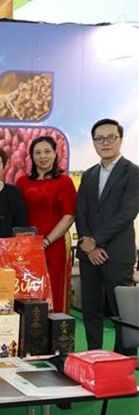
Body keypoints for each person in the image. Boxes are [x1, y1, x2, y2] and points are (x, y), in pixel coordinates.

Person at [76, 118, 139, 355]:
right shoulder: (89, 174)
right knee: (91, 309)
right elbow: (80, 211)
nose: (105, 142)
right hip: (89, 254)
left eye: (111, 137)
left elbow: (127, 213)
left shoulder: (133, 172)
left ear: (120, 139)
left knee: (122, 312)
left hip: (118, 254)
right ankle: (94, 356)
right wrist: (88, 244)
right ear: (93, 142)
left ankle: (123, 360)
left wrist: (96, 240)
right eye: (99, 138)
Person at [17, 136, 76, 313]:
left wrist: (46, 241)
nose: (43, 156)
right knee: (28, 288)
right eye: (38, 152)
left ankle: (56, 327)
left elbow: (69, 216)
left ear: (55, 153)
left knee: (55, 287)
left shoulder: (64, 182)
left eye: (47, 151)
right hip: (28, 245)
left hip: (55, 244)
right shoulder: (22, 182)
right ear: (31, 156)